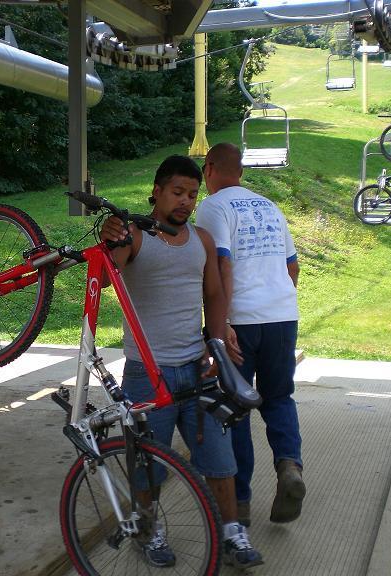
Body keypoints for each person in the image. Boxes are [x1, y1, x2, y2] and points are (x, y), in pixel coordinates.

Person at [100, 154, 263, 570]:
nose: (186, 201)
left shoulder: (201, 240)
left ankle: (232, 533)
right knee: (147, 463)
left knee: (220, 460)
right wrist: (110, 240)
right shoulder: (135, 235)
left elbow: (213, 294)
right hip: (146, 372)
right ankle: (149, 532)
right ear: (156, 191)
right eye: (177, 192)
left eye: (192, 194)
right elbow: (103, 279)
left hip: (197, 368)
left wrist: (217, 341)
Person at [195, 142, 305, 527]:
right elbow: (292, 268)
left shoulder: (214, 206)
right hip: (282, 316)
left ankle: (239, 502)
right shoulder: (270, 207)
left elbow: (219, 262)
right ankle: (289, 466)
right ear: (239, 170)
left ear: (210, 168)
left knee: (234, 409)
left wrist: (221, 323)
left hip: (241, 321)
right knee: (278, 398)